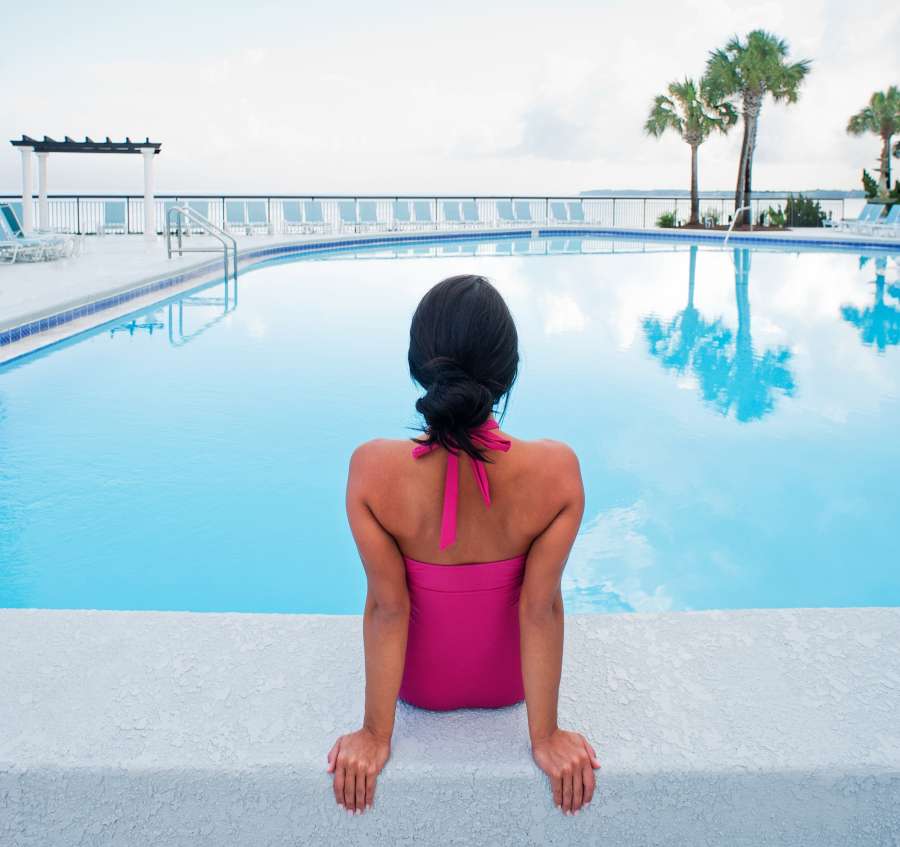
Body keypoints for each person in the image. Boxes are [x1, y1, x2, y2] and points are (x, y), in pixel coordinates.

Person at [326, 274, 600, 816]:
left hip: (416, 689)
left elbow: (388, 607)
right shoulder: (557, 472)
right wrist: (544, 736)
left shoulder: (370, 471)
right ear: (509, 371)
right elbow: (539, 607)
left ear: (417, 366)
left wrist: (376, 734)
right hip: (511, 686)